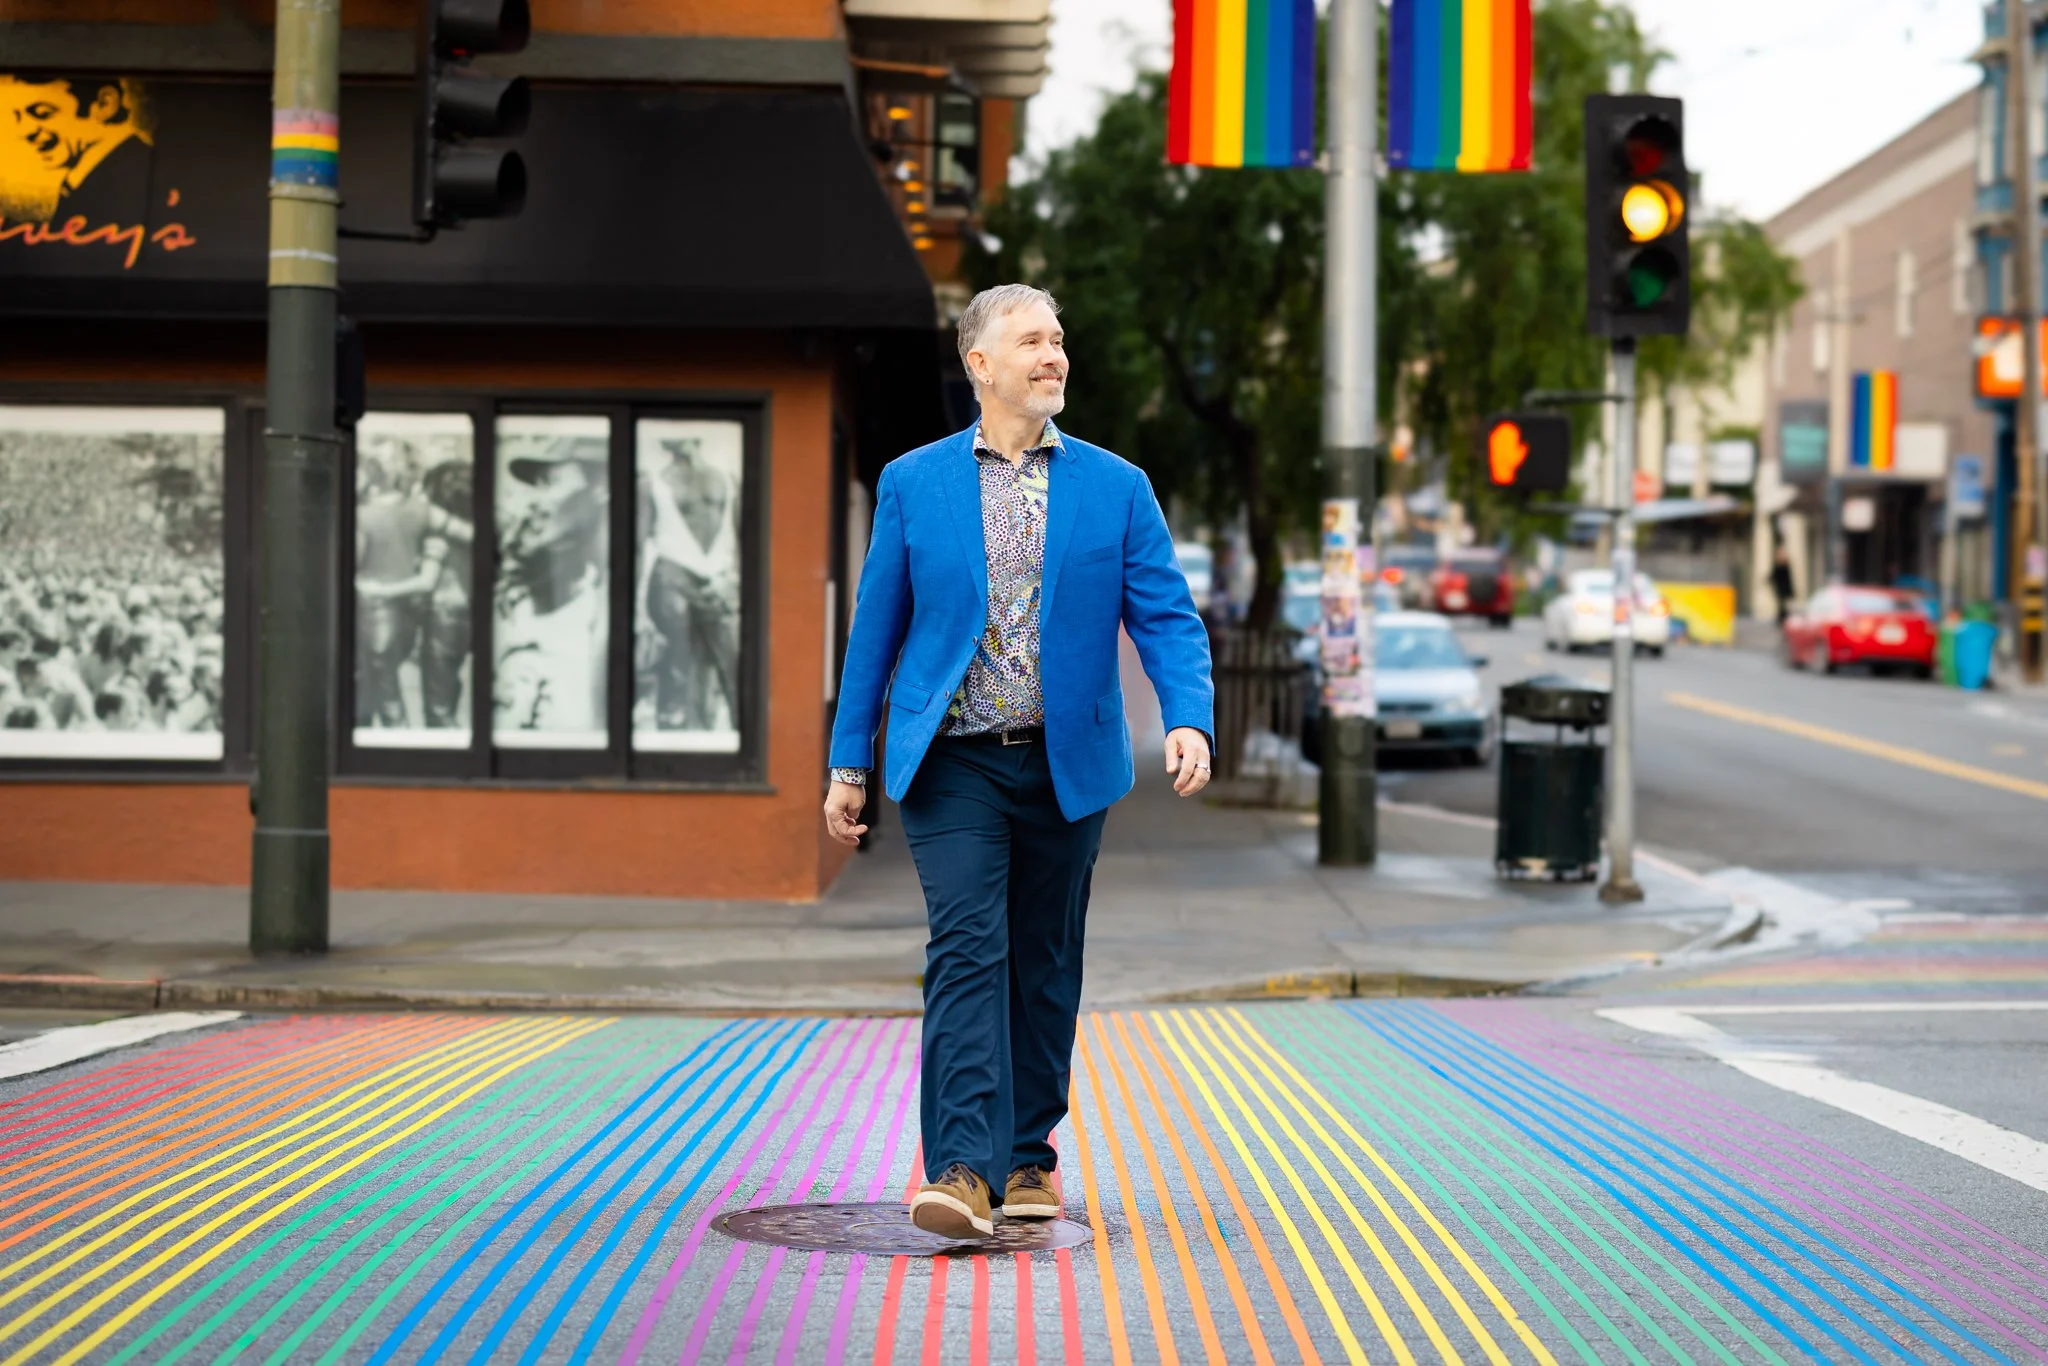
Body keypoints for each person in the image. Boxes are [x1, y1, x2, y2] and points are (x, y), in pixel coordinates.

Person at [823, 284, 1215, 1241]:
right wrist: (848, 762)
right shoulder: (916, 483)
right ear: (980, 365)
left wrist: (1187, 716)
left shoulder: (1116, 486)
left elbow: (1165, 615)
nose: (1053, 355)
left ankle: (1028, 1154)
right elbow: (877, 627)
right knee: (967, 950)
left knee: (1043, 957)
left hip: (1066, 762)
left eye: (1059, 339)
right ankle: (959, 1168)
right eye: (1031, 340)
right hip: (951, 762)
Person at [1770, 544, 1797, 626]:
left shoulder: (1786, 565)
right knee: (1781, 607)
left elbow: (1789, 579)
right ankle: (1782, 621)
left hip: (1785, 589)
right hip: (1780, 589)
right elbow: (1773, 576)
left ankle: (1784, 621)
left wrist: (1791, 591)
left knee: (1785, 607)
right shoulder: (1777, 566)